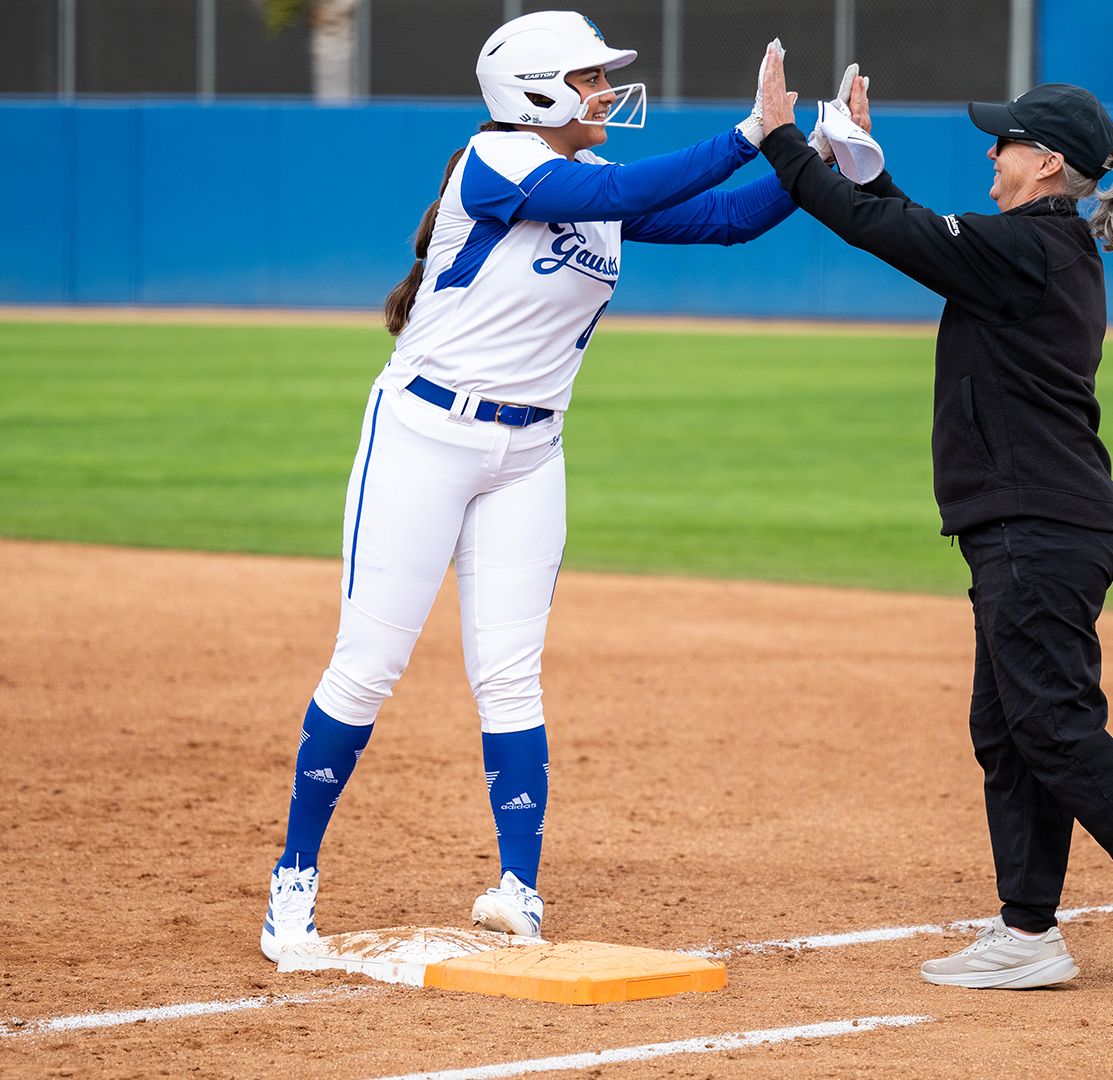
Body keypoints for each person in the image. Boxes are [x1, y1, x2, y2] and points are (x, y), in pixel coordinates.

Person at [258, 12, 799, 962]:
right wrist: (750, 132)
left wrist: (817, 158)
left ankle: (519, 892)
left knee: (510, 676)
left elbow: (723, 219)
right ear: (536, 92)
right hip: (424, 435)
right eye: (589, 79)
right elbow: (649, 183)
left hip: (530, 456)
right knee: (368, 667)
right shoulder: (497, 164)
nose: (604, 94)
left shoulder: (586, 182)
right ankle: (291, 890)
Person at [756, 49, 1113, 1003]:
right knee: (1010, 727)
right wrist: (862, 163)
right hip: (1031, 523)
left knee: (1053, 723)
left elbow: (879, 231)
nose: (993, 149)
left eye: (1007, 140)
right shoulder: (1035, 249)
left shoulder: (1032, 248)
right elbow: (904, 224)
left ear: (1050, 164)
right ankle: (1028, 932)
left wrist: (786, 142)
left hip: (1040, 525)